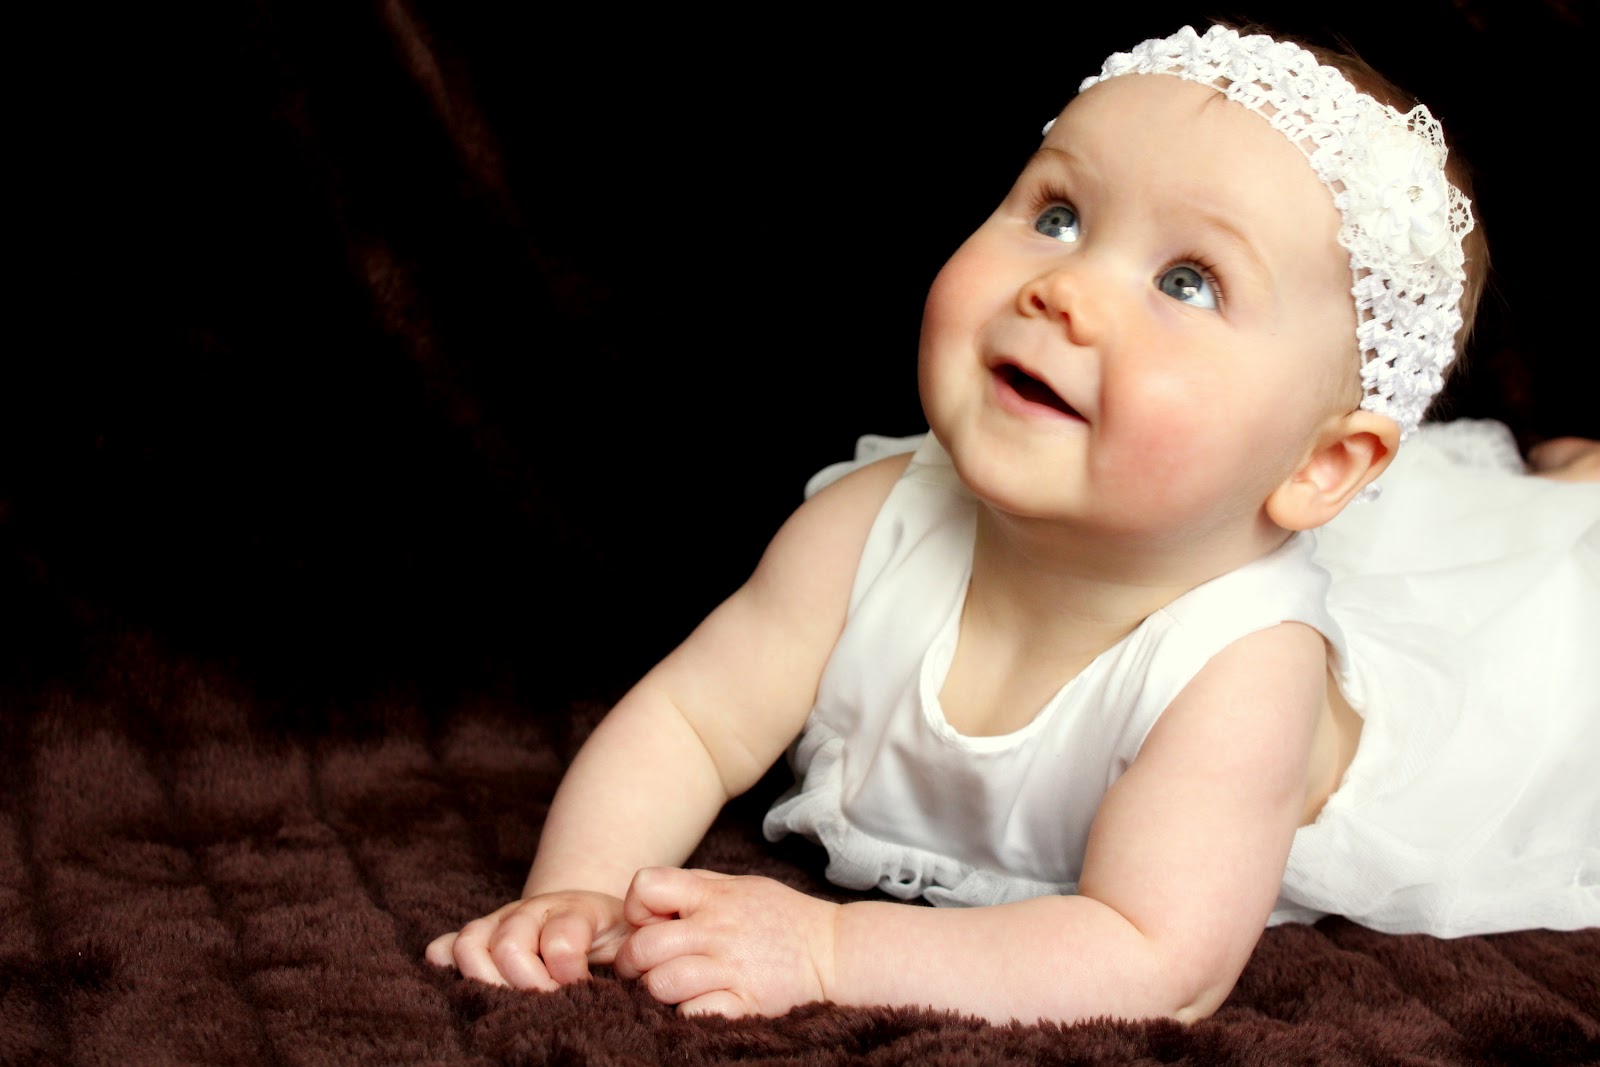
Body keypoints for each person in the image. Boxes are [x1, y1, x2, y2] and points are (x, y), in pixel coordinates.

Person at [427, 23, 1600, 1024]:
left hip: (1487, 709)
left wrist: (830, 949)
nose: (1063, 287)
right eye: (1056, 214)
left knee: (1559, 600)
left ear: (1317, 464)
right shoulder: (870, 521)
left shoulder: (1243, 674)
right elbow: (691, 720)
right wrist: (578, 886)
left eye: (1186, 281)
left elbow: (1155, 955)